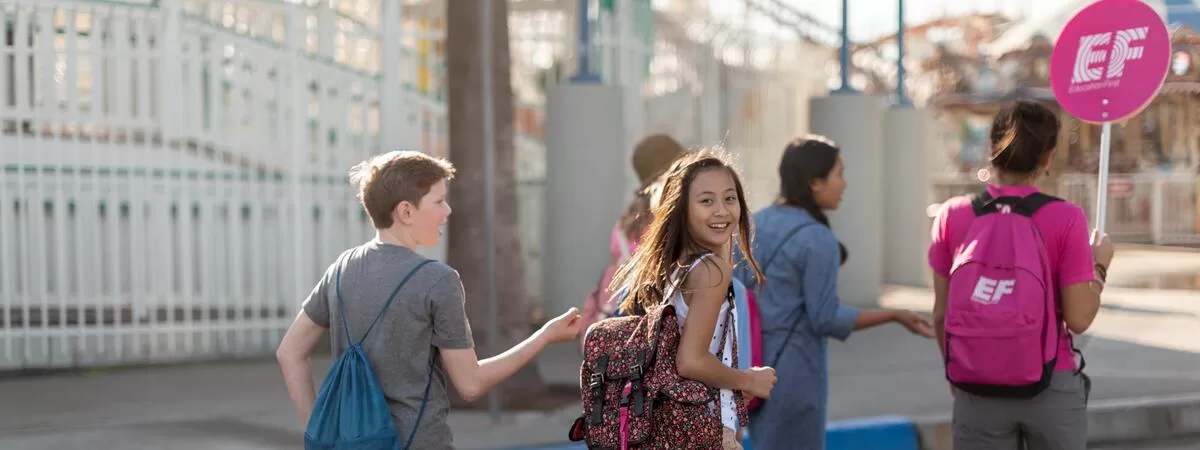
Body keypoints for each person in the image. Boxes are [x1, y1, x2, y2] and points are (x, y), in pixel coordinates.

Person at [275, 151, 583, 449]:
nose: (447, 210)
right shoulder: (437, 280)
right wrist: (544, 336)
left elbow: (289, 352)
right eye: (438, 201)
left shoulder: (341, 269)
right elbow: (470, 383)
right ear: (406, 211)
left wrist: (318, 429)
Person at [928, 100, 1112, 450]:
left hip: (976, 384)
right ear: (1047, 158)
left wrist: (956, 372)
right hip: (1050, 382)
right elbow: (1079, 318)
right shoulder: (1066, 219)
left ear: (992, 149)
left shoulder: (952, 216)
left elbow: (941, 314)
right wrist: (1100, 265)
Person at [736, 136, 935, 449]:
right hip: (794, 376)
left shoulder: (755, 224)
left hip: (752, 370)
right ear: (815, 182)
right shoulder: (818, 239)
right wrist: (894, 315)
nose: (844, 184)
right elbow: (825, 317)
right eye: (839, 174)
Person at [610, 149, 776, 449]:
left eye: (729, 198)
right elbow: (690, 361)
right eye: (706, 201)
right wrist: (747, 380)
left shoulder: (672, 266)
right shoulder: (711, 270)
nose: (722, 211)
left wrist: (731, 382)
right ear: (682, 209)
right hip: (703, 430)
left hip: (664, 429)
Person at [580, 134, 688, 339]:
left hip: (629, 331)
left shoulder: (624, 226)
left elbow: (616, 274)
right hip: (669, 329)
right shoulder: (676, 224)